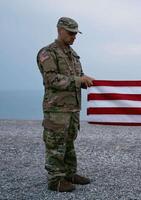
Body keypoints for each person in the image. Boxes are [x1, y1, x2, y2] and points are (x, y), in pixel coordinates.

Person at [36, 17, 95, 192]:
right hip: (56, 110)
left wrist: (85, 81)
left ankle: (69, 174)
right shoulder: (48, 53)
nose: (74, 37)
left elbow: (78, 77)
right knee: (56, 144)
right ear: (60, 30)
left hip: (72, 108)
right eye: (71, 33)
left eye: (76, 34)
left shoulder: (73, 55)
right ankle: (55, 180)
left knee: (69, 142)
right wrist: (78, 80)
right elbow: (51, 79)